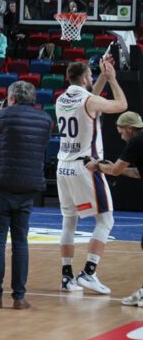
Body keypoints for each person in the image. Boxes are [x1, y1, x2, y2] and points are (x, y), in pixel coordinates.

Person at [0, 81, 51, 310]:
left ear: (12, 98)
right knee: (20, 241)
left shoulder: (4, 115)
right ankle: (19, 297)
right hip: (28, 186)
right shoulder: (45, 120)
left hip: (2, 183)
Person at [56, 58, 127, 295]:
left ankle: (66, 277)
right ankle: (89, 271)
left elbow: (90, 100)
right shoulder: (89, 100)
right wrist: (113, 79)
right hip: (85, 166)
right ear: (86, 78)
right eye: (91, 77)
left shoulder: (61, 99)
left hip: (63, 166)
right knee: (106, 220)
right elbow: (121, 105)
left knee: (69, 221)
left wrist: (103, 78)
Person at [88, 111, 143, 306]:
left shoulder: (136, 142)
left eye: (121, 132)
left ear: (129, 129)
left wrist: (98, 165)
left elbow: (116, 170)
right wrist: (113, 168)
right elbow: (137, 173)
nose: (121, 136)